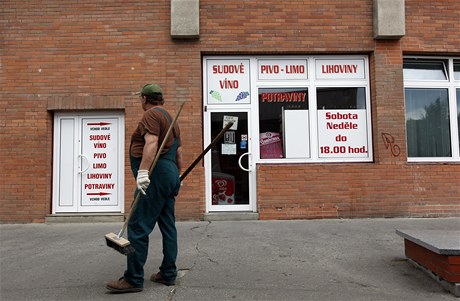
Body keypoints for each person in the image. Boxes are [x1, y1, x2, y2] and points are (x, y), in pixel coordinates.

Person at [106, 84, 182, 293]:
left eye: (141, 98)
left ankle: (133, 279)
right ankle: (168, 274)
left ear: (145, 99)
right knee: (168, 226)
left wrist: (143, 172)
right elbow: (178, 153)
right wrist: (178, 177)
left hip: (156, 174)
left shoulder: (151, 115)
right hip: (170, 173)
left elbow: (151, 143)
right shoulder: (171, 120)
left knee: (138, 227)